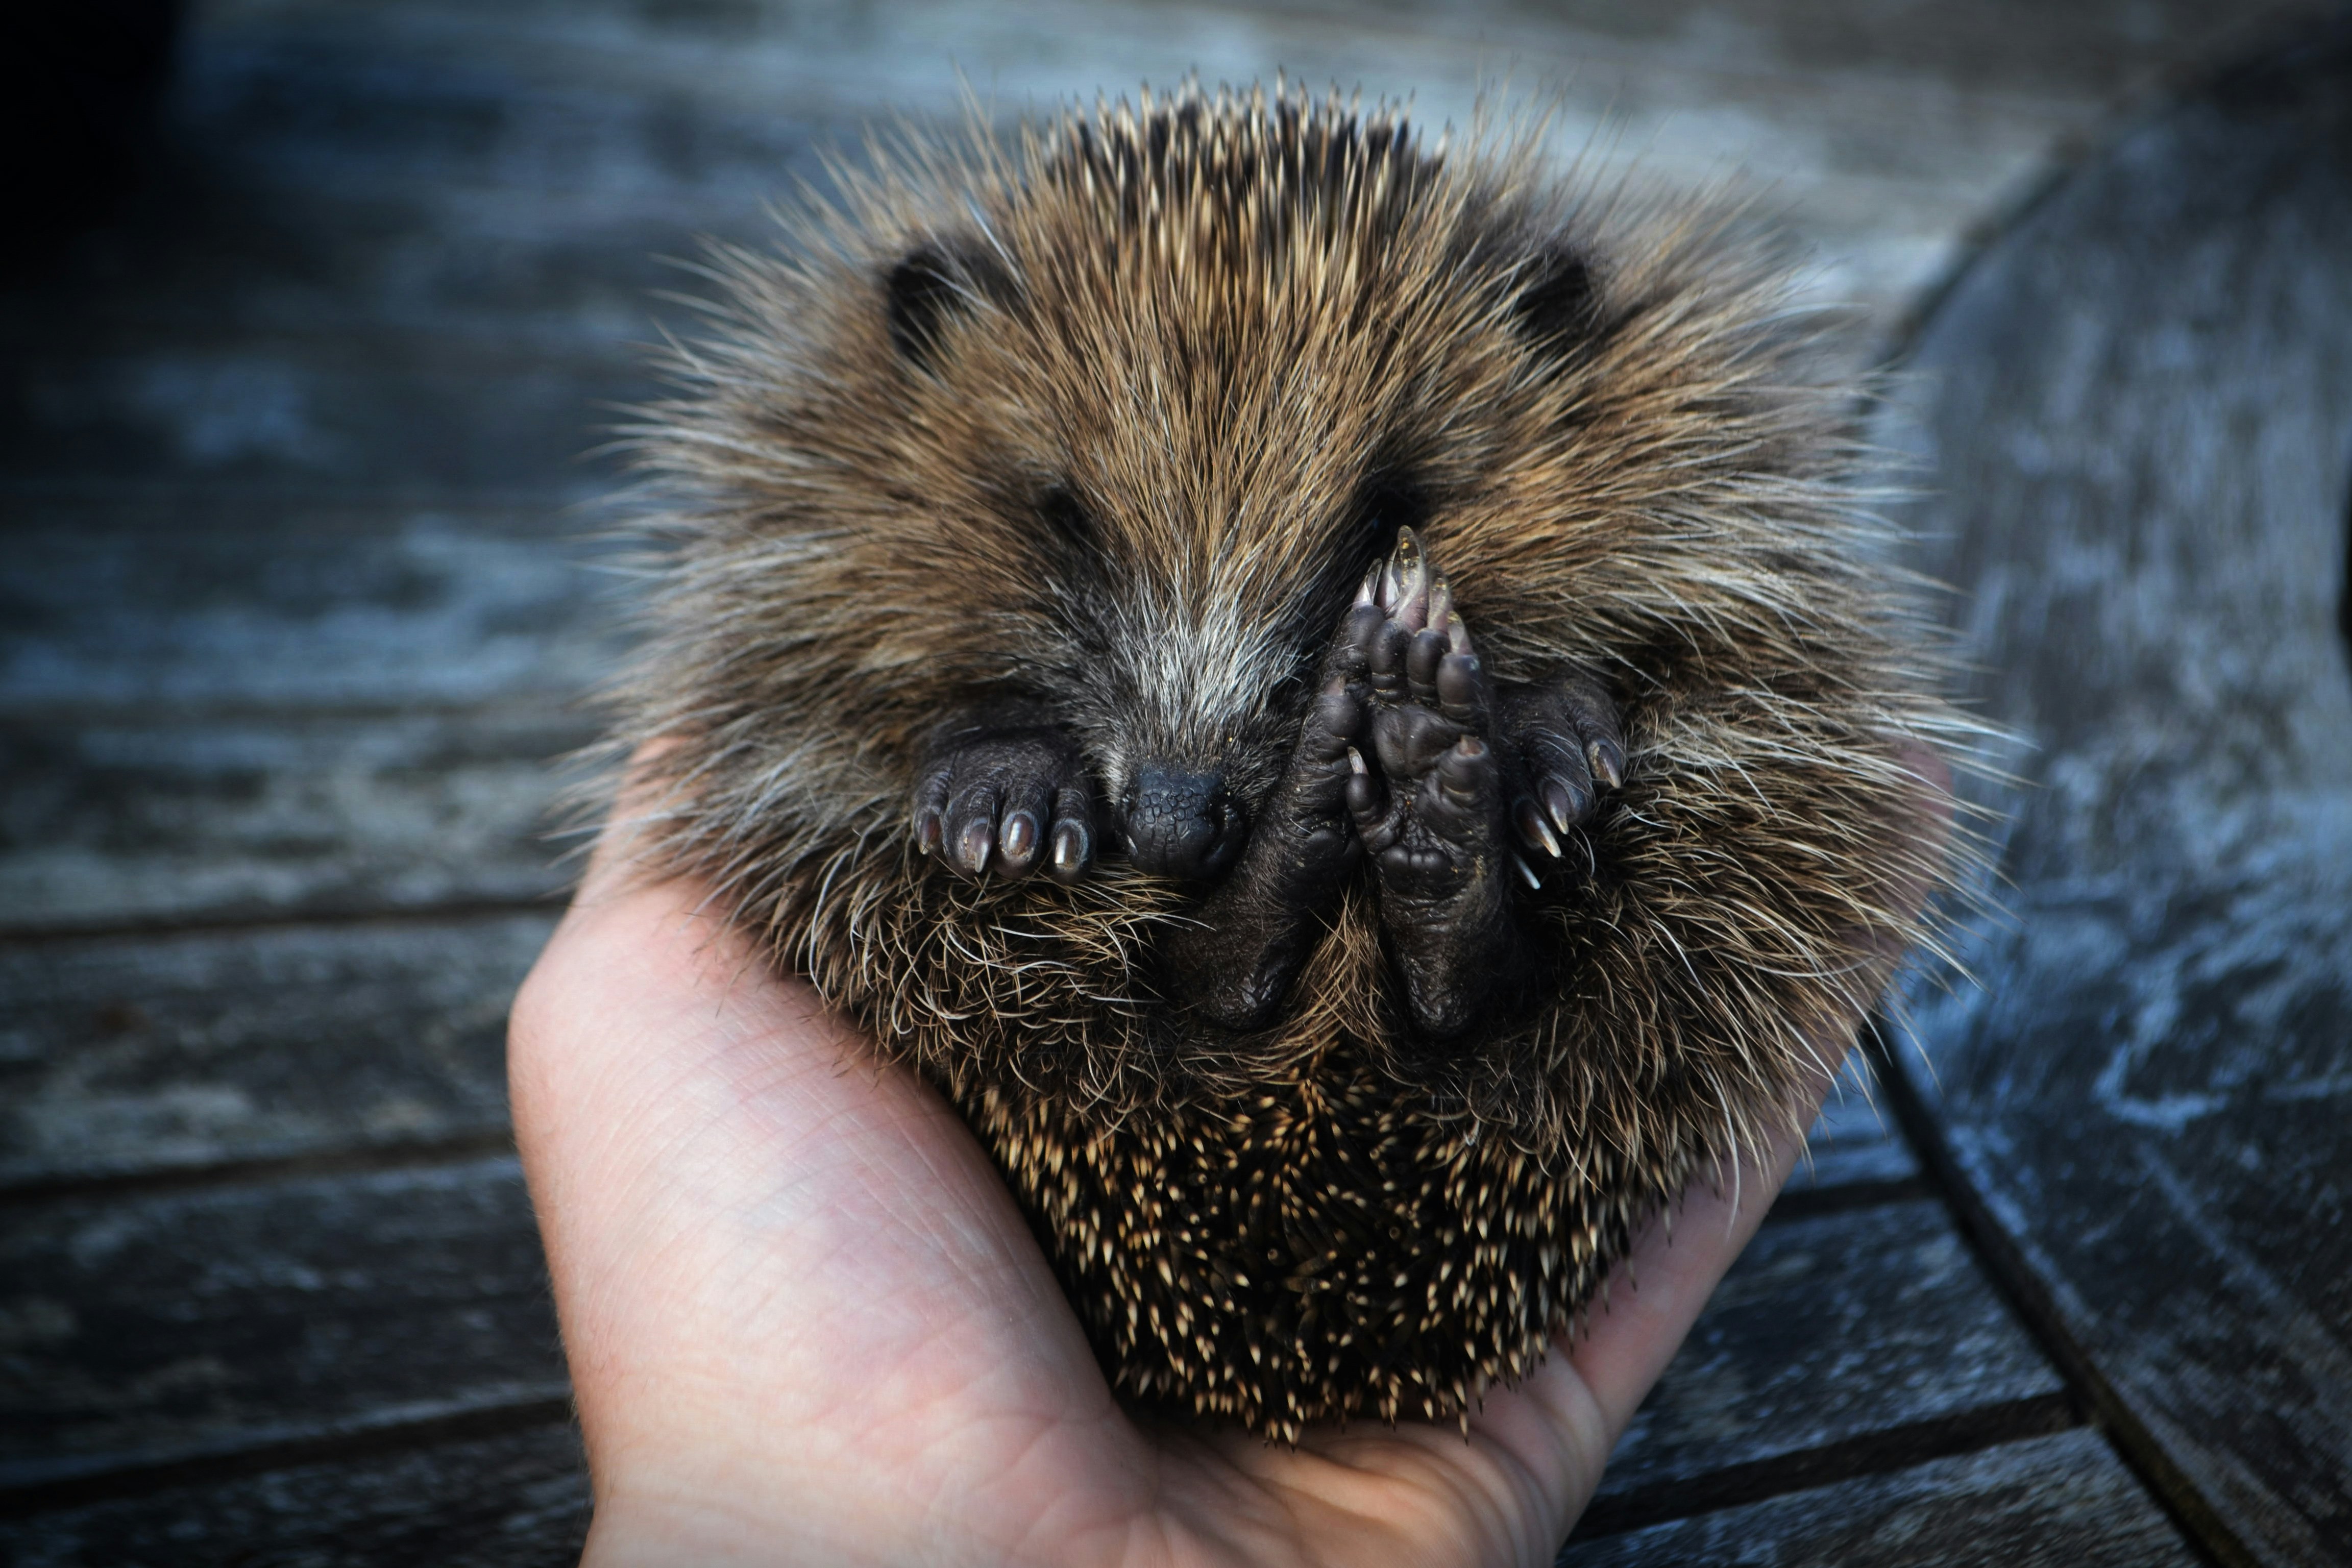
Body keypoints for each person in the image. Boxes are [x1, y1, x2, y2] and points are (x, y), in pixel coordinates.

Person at [510, 759, 1942, 1565]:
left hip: (1167, 1124)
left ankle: (1301, 954)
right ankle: (1443, 962)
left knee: (1649, 837)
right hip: (1313, 1127)